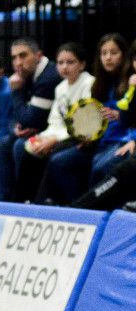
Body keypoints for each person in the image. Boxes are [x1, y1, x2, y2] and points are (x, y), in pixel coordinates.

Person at [41, 34, 135, 205]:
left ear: (124, 55)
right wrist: (88, 137)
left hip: (122, 141)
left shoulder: (131, 83)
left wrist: (120, 117)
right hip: (100, 142)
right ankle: (76, 205)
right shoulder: (99, 84)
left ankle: (89, 210)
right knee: (59, 161)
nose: (108, 57)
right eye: (103, 53)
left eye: (113, 52)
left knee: (100, 168)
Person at [14, 42, 93, 202]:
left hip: (81, 136)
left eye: (70, 62)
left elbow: (84, 124)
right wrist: (43, 138)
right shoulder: (60, 87)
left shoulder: (89, 83)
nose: (64, 67)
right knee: (26, 148)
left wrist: (54, 140)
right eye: (60, 63)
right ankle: (23, 201)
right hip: (59, 134)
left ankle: (42, 201)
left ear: (82, 64)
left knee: (55, 155)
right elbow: (55, 122)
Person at [0, 36, 60, 200]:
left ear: (38, 56)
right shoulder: (25, 75)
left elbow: (30, 120)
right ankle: (3, 201)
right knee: (3, 144)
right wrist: (14, 128)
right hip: (37, 128)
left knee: (20, 146)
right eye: (14, 58)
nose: (18, 62)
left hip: (53, 131)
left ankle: (24, 200)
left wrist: (16, 92)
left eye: (23, 55)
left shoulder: (48, 77)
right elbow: (15, 117)